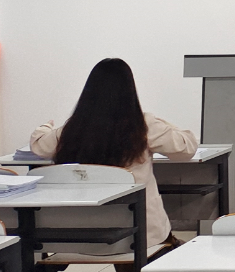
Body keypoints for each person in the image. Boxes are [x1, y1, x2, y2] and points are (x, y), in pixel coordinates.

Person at [30, 58, 199, 268]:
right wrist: (156, 120)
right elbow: (187, 147)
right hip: (137, 238)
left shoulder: (72, 129)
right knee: (170, 242)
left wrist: (45, 127)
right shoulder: (143, 125)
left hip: (76, 240)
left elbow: (38, 145)